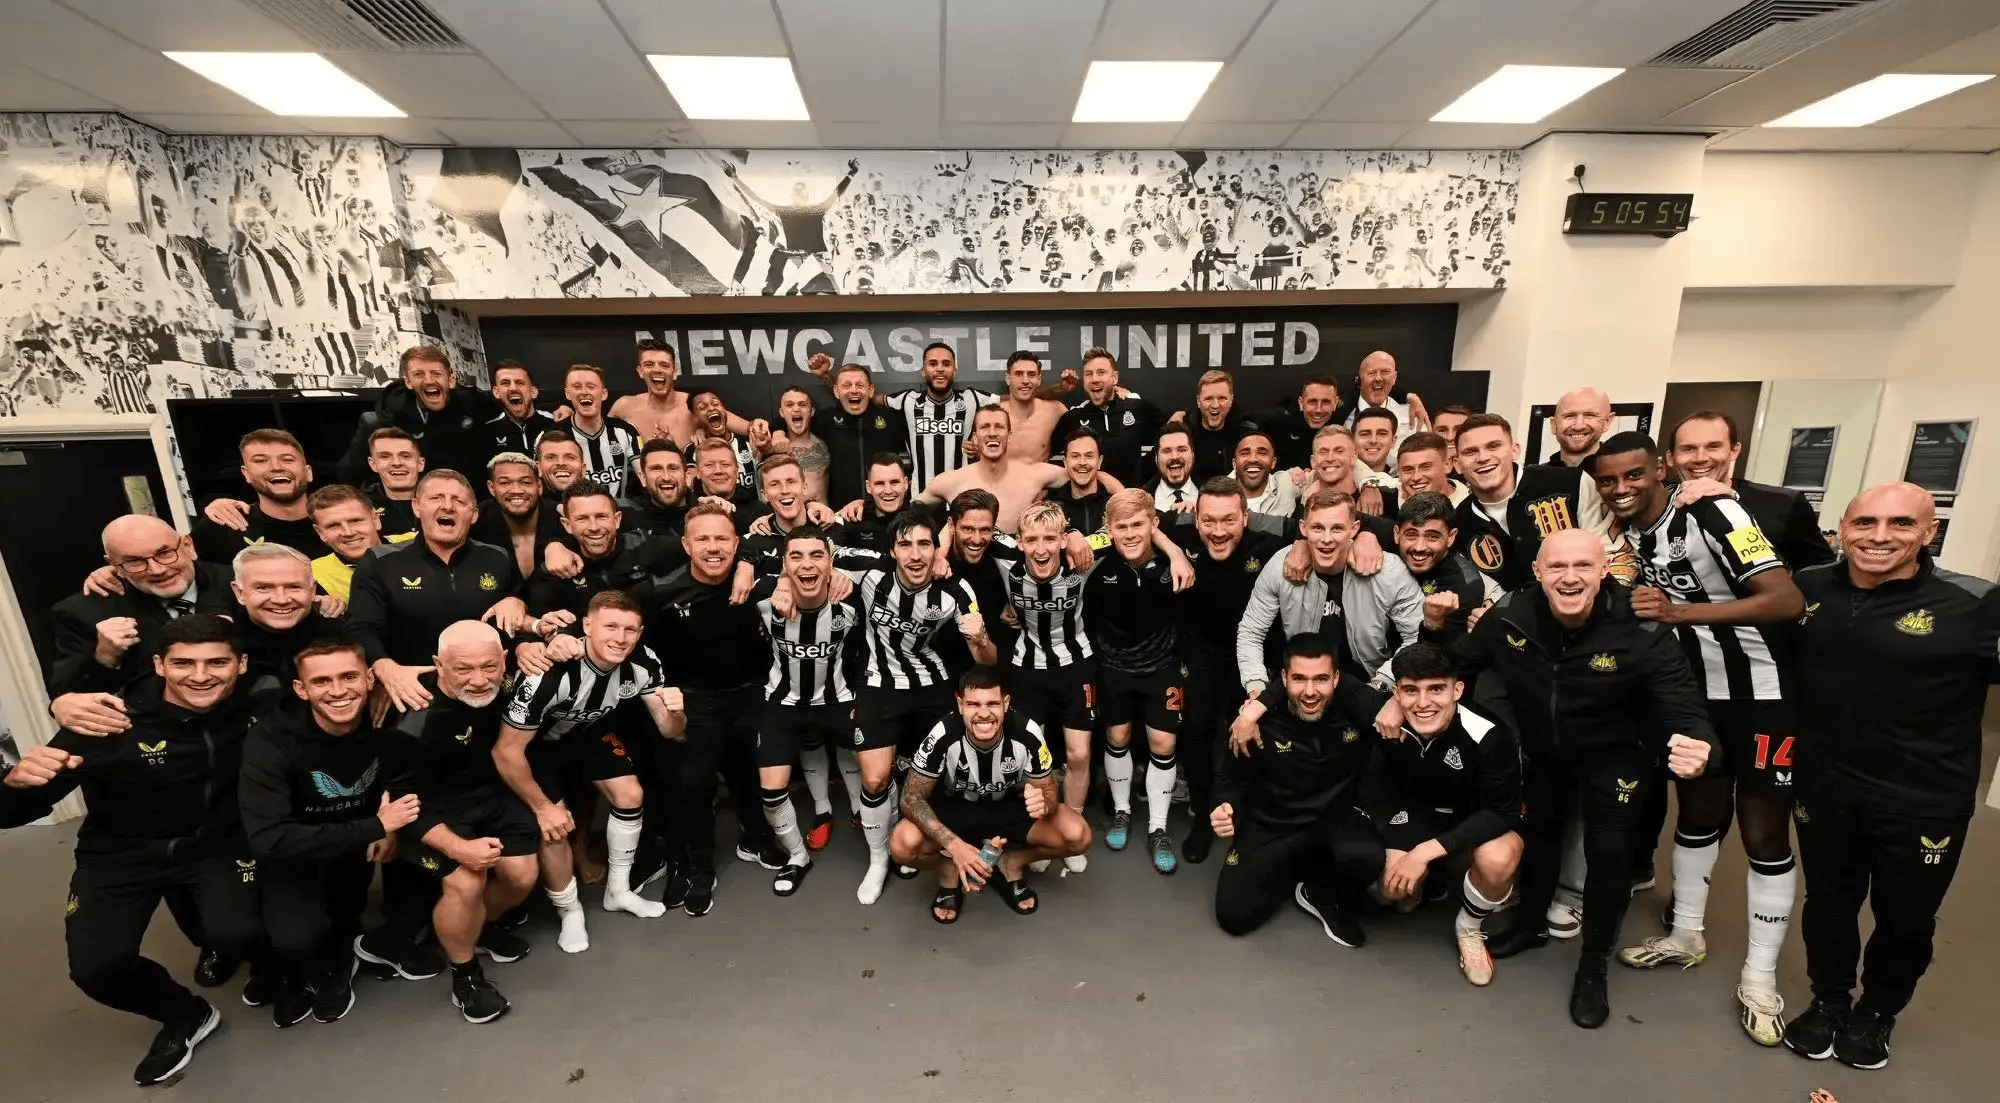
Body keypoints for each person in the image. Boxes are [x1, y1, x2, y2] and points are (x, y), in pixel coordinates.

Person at [1380, 529, 1718, 1028]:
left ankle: (1593, 967)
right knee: (1540, 837)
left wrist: (1699, 744)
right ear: (1538, 573)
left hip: (1617, 758)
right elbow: (1451, 663)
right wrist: (1398, 694)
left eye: (1583, 566)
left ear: (1604, 570)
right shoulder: (1510, 615)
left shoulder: (1641, 626)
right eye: (1557, 567)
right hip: (1544, 752)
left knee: (1608, 855)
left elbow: (1684, 705)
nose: (1569, 577)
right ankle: (1531, 926)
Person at [1588, 433, 1807, 1043]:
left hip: (1763, 697)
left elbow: (1786, 599)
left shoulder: (1715, 511)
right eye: (1609, 480)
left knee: (1763, 831)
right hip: (1694, 698)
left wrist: (1678, 612)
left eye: (1634, 475)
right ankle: (1686, 934)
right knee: (1697, 812)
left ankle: (1760, 977)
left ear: (1661, 470)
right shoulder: (1634, 533)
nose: (1622, 489)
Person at [1783, 483, 2000, 1070]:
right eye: (1865, 523)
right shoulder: (1808, 587)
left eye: (1901, 524)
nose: (1879, 537)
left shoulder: (1975, 601)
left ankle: (1878, 1011)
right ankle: (1829, 1000)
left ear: (1930, 532)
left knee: (1906, 917)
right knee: (1829, 903)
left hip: (1925, 794)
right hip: (1826, 783)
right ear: (1842, 527)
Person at [1, 616, 266, 1085]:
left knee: (237, 932)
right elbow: (15, 812)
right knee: (96, 968)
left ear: (241, 665)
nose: (200, 676)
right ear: (159, 665)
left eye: (216, 663)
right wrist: (15, 783)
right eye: (183, 663)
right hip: (119, 855)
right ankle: (186, 1015)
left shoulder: (257, 706)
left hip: (214, 846)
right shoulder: (106, 718)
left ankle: (214, 934)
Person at [495, 590, 684, 952]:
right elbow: (505, 751)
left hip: (587, 731)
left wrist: (676, 713)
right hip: (535, 746)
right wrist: (542, 807)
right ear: (587, 626)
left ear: (640, 632)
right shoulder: (549, 670)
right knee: (556, 825)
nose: (620, 638)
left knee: (631, 794)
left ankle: (618, 891)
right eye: (610, 626)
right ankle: (570, 913)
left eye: (630, 629)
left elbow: (669, 730)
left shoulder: (644, 662)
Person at [380, 621, 539, 1025]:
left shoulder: (508, 686)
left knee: (522, 876)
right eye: (464, 669)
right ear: (439, 665)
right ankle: (466, 975)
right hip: (429, 807)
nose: (479, 680)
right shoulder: (413, 718)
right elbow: (401, 798)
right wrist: (459, 848)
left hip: (488, 796)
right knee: (467, 883)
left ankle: (473, 928)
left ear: (504, 660)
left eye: (489, 666)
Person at [628, 502, 781, 916]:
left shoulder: (755, 580)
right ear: (686, 545)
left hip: (750, 692)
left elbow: (801, 554)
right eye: (703, 539)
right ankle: (700, 868)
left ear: (736, 543)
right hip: (694, 700)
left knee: (747, 772)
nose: (713, 547)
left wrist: (752, 564)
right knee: (695, 785)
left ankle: (755, 839)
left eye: (721, 539)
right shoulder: (661, 594)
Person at [238, 640, 399, 1028]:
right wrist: (376, 826)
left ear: (370, 678)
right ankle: (289, 970)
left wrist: (390, 822)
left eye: (349, 677)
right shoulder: (271, 739)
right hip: (292, 853)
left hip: (354, 851)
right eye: (322, 681)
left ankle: (340, 960)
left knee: (344, 919)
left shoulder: (386, 718)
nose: (338, 691)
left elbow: (409, 770)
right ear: (301, 689)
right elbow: (271, 839)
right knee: (294, 938)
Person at [843, 510, 995, 904]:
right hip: (878, 682)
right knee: (875, 780)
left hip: (931, 684)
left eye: (924, 544)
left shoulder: (956, 590)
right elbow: (810, 553)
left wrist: (980, 639)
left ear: (937, 549)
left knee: (939, 777)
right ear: (892, 550)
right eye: (905, 545)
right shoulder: (869, 571)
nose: (915, 554)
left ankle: (914, 842)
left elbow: (988, 661)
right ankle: (879, 859)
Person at [1210, 634, 1385, 945]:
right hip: (1272, 823)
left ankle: (1317, 892)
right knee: (1234, 915)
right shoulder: (1256, 723)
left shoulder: (1355, 708)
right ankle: (1288, 867)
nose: (1310, 691)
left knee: (1367, 858)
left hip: (1333, 819)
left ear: (1336, 679)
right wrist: (1224, 805)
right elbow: (1230, 779)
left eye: (1321, 679)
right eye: (1299, 679)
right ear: (1284, 679)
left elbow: (1395, 710)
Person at [1369, 643, 1523, 986]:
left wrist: (1425, 852)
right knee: (1393, 891)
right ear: (1397, 692)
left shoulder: (1489, 734)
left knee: (1499, 857)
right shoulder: (1386, 719)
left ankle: (1469, 926)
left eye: (1436, 689)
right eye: (1411, 690)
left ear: (1458, 690)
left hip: (1474, 819)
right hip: (1420, 813)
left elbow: (1504, 812)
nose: (1423, 703)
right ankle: (1435, 881)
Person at [892, 666, 1091, 922]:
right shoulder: (942, 734)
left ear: (1005, 703)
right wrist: (952, 845)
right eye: (974, 704)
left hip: (1009, 810)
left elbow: (1049, 794)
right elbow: (910, 799)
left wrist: (1044, 803)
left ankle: (1013, 862)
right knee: (901, 844)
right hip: (955, 812)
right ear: (960, 704)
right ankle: (948, 870)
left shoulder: (1027, 732)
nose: (984, 713)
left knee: (1078, 835)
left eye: (993, 704)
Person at [1169, 478, 1294, 865]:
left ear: (1246, 517)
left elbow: (1324, 524)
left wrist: (1310, 545)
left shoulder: (1271, 538)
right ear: (1196, 517)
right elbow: (1137, 520)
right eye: (1208, 521)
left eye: (1229, 520)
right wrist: (1171, 551)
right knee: (1195, 731)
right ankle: (1203, 816)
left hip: (1254, 655)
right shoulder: (1180, 530)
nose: (1218, 531)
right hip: (1201, 654)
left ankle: (1238, 810)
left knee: (1249, 731)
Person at [347, 470, 529, 715]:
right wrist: (384, 669)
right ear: (416, 506)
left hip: (487, 691)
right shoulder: (380, 561)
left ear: (474, 514)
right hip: (414, 696)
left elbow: (524, 602)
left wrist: (516, 600)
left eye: (459, 501)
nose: (448, 506)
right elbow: (360, 628)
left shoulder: (497, 557)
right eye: (436, 498)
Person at [752, 525, 866, 894]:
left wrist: (841, 574)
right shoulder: (763, 595)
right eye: (796, 557)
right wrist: (781, 582)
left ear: (830, 562)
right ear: (784, 564)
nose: (807, 564)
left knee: (878, 771)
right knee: (771, 792)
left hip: (838, 699)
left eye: (817, 555)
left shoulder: (850, 596)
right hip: (783, 703)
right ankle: (798, 857)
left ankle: (884, 846)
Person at [1086, 489, 1193, 874]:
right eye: (1121, 527)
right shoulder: (1096, 557)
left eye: (1138, 525)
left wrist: (1176, 552)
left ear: (1154, 524)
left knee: (1163, 743)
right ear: (1109, 529)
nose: (1130, 534)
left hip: (1162, 667)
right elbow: (1068, 543)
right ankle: (1122, 811)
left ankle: (1158, 828)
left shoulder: (1175, 551)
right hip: (1112, 667)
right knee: (1117, 738)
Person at [997, 501, 1098, 871]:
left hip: (1076, 665)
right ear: (1019, 542)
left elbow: (1133, 529)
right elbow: (957, 524)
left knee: (1078, 755)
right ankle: (1043, 829)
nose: (1041, 549)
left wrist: (1078, 537)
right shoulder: (1004, 555)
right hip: (1027, 668)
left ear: (1062, 540)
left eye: (1050, 539)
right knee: (1032, 754)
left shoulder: (1082, 554)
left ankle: (1072, 831)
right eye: (1032, 540)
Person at [1237, 490, 1422, 689]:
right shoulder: (1281, 566)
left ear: (1354, 529)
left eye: (1337, 528)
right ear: (1303, 528)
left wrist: (1383, 683)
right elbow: (1251, 632)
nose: (1326, 539)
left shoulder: (1387, 570)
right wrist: (1255, 685)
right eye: (1317, 528)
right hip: (1302, 685)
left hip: (1368, 683)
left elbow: (1417, 636)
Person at [51, 514, 233, 697]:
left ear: (188, 546)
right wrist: (104, 657)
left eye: (165, 553)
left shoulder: (238, 584)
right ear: (115, 566)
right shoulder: (85, 612)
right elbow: (69, 697)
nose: (157, 570)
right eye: (135, 561)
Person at [1450, 412, 1626, 592]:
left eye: (1494, 446)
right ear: (1457, 464)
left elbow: (1614, 554)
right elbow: (1484, 590)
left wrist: (1612, 603)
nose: (1483, 458)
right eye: (1470, 452)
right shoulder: (1458, 523)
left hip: (1592, 601)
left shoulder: (1572, 483)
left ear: (1515, 450)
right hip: (1514, 609)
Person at [808, 342, 998, 493]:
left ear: (955, 371)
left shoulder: (972, 398)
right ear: (923, 371)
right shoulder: (908, 400)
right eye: (933, 364)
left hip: (961, 495)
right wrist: (827, 376)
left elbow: (1010, 405)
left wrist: (982, 446)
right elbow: (866, 395)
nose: (940, 369)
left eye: (946, 364)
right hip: (920, 498)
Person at [1668, 410, 1836, 571]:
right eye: (1688, 448)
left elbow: (1821, 575)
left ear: (1734, 451)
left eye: (1713, 447)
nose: (1701, 458)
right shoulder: (1659, 504)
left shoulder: (1783, 504)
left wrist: (1732, 504)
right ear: (1670, 457)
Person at [341, 346, 499, 492]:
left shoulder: (474, 404)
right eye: (419, 374)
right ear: (408, 382)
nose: (429, 380)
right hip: (414, 500)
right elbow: (351, 474)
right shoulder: (387, 419)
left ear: (451, 380)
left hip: (469, 496)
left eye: (436, 373)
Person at [911, 405, 1083, 533]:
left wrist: (1071, 530)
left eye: (999, 427)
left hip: (1017, 562)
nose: (992, 433)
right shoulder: (951, 481)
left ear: (1009, 436)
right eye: (985, 427)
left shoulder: (1034, 474)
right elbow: (910, 512)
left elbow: (1084, 476)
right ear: (975, 438)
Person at [192, 429, 329, 564]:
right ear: (246, 474)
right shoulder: (227, 524)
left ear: (308, 472)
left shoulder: (337, 520)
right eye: (261, 461)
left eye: (287, 459)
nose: (276, 467)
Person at [227, 543, 343, 684]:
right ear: (239, 593)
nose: (281, 600)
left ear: (312, 590)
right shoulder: (224, 645)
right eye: (263, 588)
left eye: (294, 587)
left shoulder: (345, 636)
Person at [1393, 492, 1498, 645]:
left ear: (1450, 537)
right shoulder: (1382, 541)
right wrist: (1366, 534)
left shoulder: (1464, 586)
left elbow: (1442, 654)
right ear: (1396, 534)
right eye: (1411, 535)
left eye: (1432, 536)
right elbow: (1363, 519)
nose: (1419, 547)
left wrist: (1433, 623)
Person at [1051, 348, 1165, 487]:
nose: (1094, 379)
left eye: (1101, 372)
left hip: (1130, 497)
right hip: (1088, 499)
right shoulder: (1074, 417)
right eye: (1088, 374)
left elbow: (1171, 438)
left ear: (1114, 378)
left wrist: (1145, 477)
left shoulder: (1138, 407)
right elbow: (1045, 455)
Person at [806, 360, 911, 509]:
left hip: (886, 510)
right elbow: (792, 420)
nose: (854, 390)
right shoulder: (825, 419)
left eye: (860, 385)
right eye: (846, 386)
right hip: (840, 511)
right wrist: (778, 432)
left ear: (871, 390)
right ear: (836, 391)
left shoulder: (891, 419)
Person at [611, 339, 757, 446]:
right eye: (649, 364)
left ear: (674, 372)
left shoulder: (695, 405)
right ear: (640, 371)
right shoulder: (624, 407)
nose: (657, 370)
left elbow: (751, 428)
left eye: (664, 365)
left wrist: (705, 431)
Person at [471, 452, 563, 581]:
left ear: (539, 486)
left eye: (525, 482)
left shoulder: (562, 515)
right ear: (491, 488)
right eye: (505, 483)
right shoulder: (475, 521)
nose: (516, 490)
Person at [560, 364, 643, 502]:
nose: (584, 392)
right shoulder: (552, 435)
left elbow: (644, 474)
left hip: (616, 509)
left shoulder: (626, 430)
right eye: (577, 387)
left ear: (604, 394)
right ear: (568, 394)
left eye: (591, 386)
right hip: (574, 511)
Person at [308, 484, 389, 604]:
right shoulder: (313, 573)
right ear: (320, 533)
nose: (348, 533)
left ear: (376, 520)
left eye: (355, 521)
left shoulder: (413, 546)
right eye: (334, 526)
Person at [681, 386, 771, 494]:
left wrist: (765, 450)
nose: (711, 408)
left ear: (724, 410)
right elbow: (689, 482)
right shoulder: (693, 450)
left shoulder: (748, 442)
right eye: (702, 407)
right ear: (695, 418)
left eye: (715, 404)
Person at [991, 350, 1077, 461]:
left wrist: (1064, 387)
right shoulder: (992, 414)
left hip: (1041, 472)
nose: (1025, 380)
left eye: (1031, 374)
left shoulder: (1055, 410)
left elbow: (1084, 436)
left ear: (1039, 379)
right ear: (1008, 379)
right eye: (1018, 374)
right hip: (1000, 473)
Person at [1179, 369, 1257, 481]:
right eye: (1208, 398)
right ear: (1198, 402)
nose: (1215, 405)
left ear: (1231, 400)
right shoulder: (1183, 434)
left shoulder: (1247, 434)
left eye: (1222, 398)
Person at [1340, 351, 1429, 445]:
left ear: (1394, 378)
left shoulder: (1413, 417)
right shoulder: (1339, 415)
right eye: (1371, 373)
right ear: (1359, 379)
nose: (1378, 378)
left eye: (1385, 372)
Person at [836, 453, 916, 553]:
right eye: (880, 483)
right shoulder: (853, 519)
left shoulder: (920, 519)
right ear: (868, 487)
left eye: (894, 482)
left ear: (905, 483)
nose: (888, 491)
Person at [1050, 427, 1118, 535]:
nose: (1082, 462)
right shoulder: (1052, 509)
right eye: (1075, 456)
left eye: (1089, 456)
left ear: (1099, 462)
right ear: (1065, 462)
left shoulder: (1115, 506)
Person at [769, 384, 830, 503]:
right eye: (789, 405)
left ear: (812, 411)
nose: (796, 409)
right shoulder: (771, 446)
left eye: (802, 405)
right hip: (788, 512)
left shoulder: (826, 443)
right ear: (781, 413)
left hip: (822, 513)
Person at [361, 427, 424, 542]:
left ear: (420, 463)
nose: (396, 463)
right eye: (385, 457)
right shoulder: (360, 507)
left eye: (405, 456)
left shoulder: (446, 502)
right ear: (373, 464)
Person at [625, 439, 692, 541]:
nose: (666, 477)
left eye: (673, 468)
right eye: (656, 469)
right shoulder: (629, 518)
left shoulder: (708, 513)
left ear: (687, 477)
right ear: (643, 478)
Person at [485, 360, 555, 456]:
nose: (513, 388)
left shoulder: (555, 425)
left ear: (533, 392)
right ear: (496, 392)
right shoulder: (486, 433)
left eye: (520, 383)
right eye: (505, 383)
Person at [1234, 430, 1298, 519]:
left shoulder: (1287, 482)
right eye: (1245, 453)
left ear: (1273, 462)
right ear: (1234, 463)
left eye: (1262, 453)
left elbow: (1315, 475)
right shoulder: (1216, 494)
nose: (1253, 459)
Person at [1543, 388, 1613, 468]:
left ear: (1607, 422)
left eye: (1589, 415)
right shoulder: (1536, 474)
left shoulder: (1619, 472)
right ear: (1554, 425)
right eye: (1569, 416)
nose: (1578, 426)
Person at [1394, 431, 1466, 507]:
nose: (1416, 477)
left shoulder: (1468, 506)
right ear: (1398, 471)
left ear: (1447, 465)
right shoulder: (1390, 498)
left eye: (1426, 467)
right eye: (1408, 470)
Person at [1148, 424, 1199, 512]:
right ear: (1156, 459)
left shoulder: (1211, 494)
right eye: (1166, 451)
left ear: (1193, 455)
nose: (1174, 457)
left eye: (1182, 450)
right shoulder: (1141, 499)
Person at [1351, 408, 1402, 486]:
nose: (1373, 440)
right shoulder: (1338, 480)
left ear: (1393, 441)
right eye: (1365, 434)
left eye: (1382, 434)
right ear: (1352, 440)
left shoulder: (1403, 483)